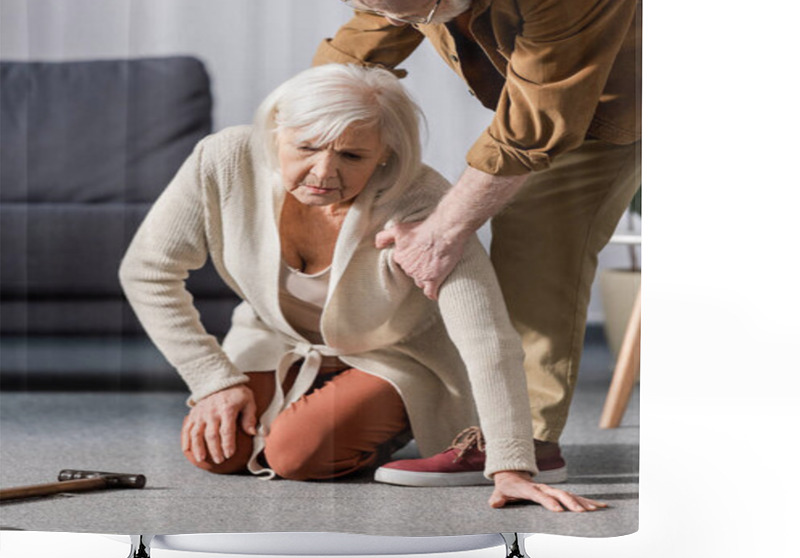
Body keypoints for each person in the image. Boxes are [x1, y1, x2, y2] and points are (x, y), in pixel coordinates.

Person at [119, 64, 604, 513]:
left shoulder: (424, 200)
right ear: (274, 134)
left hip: (394, 354)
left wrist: (510, 464)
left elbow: (487, 335)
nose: (324, 173)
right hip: (278, 342)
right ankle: (319, 404)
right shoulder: (223, 159)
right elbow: (147, 270)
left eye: (352, 155)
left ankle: (395, 415)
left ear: (385, 154)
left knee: (295, 454)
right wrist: (213, 380)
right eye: (306, 148)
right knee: (217, 454)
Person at [313, 0, 642, 482]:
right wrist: (300, 135)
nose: (406, 28)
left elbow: (534, 123)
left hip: (641, 76)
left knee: (538, 231)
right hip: (568, 52)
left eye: (418, 14)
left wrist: (441, 232)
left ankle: (523, 440)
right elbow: (365, 38)